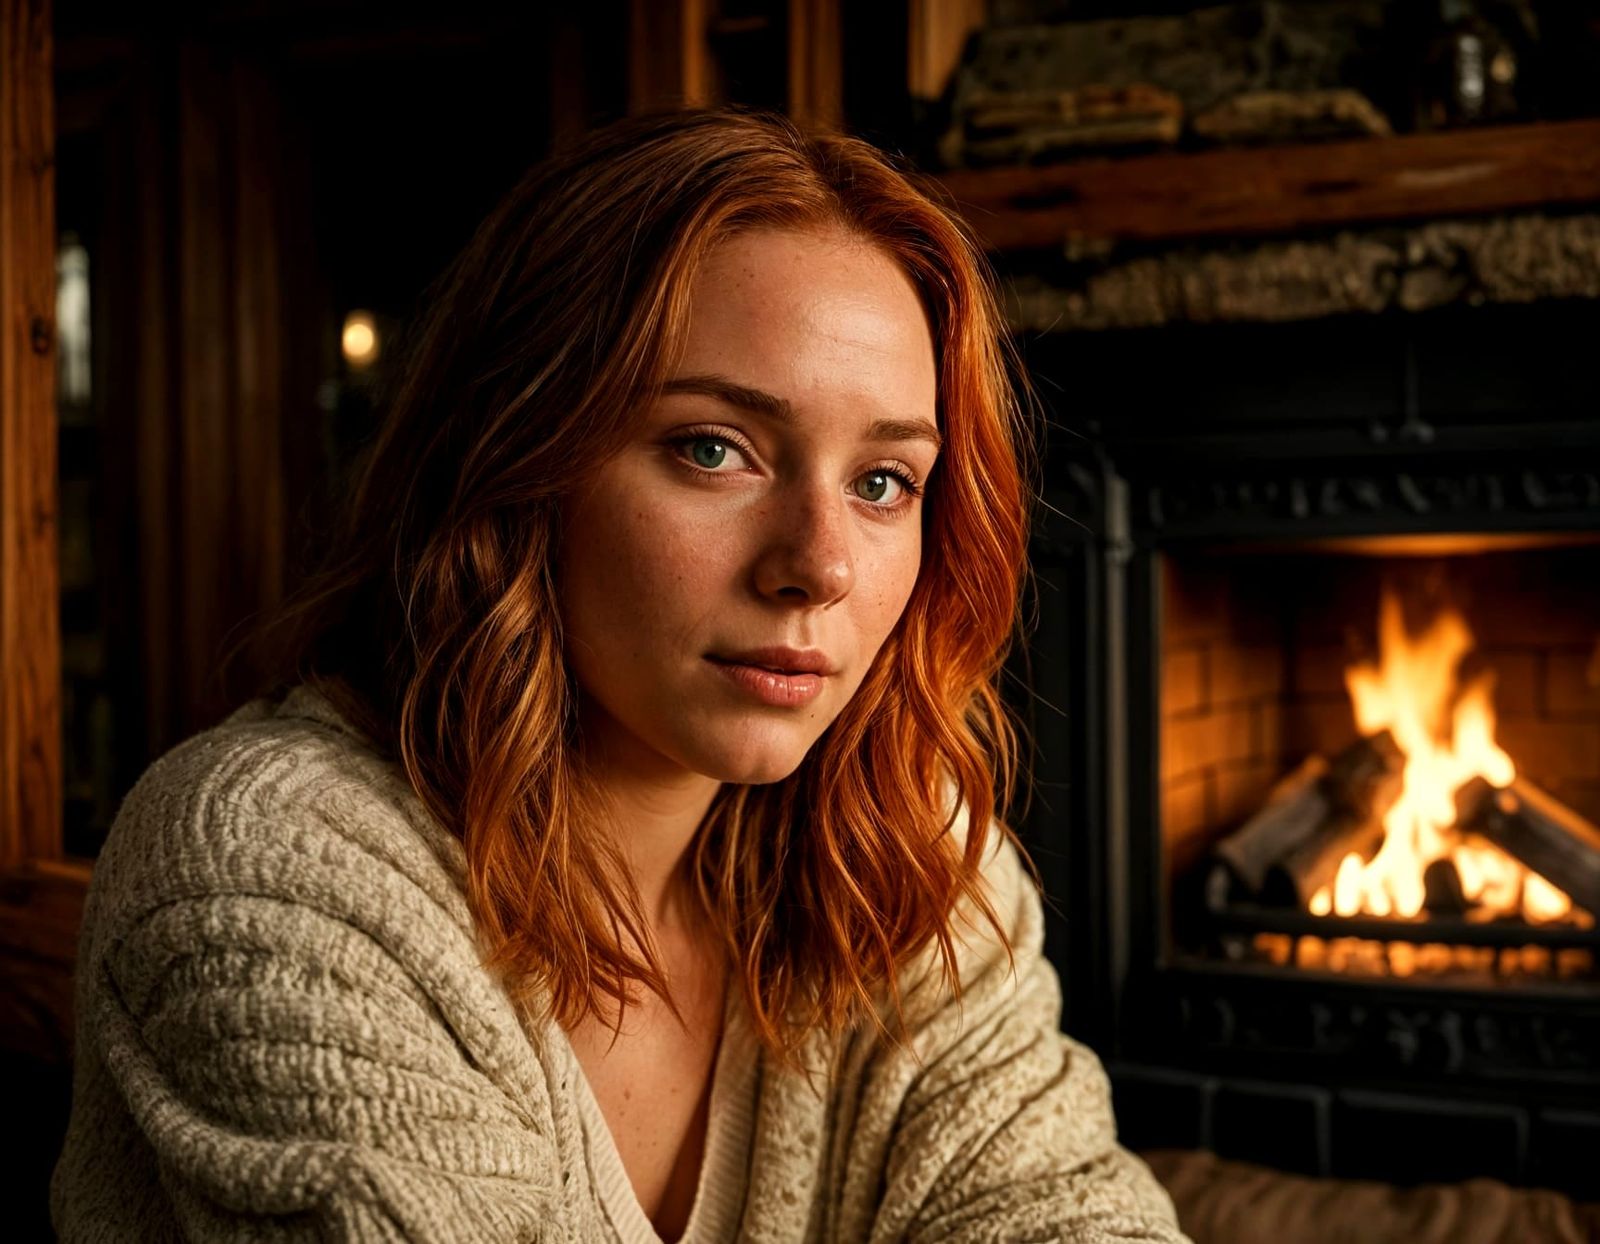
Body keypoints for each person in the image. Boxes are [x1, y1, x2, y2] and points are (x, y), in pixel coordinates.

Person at [51, 108, 1186, 1243]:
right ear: (516, 459)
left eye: (884, 481)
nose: (821, 565)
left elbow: (1066, 1214)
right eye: (712, 448)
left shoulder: (908, 853)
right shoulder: (274, 868)